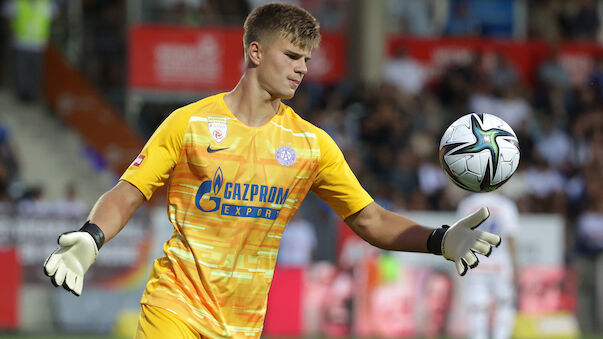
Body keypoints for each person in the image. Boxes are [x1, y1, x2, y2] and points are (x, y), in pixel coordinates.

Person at [42, 3, 502, 338]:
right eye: (291, 55)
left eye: (307, 59)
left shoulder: (311, 145)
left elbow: (371, 220)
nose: (302, 68)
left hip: (243, 324)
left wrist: (440, 239)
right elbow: (128, 191)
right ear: (256, 52)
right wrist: (90, 237)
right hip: (174, 308)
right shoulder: (190, 123)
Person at [457, 192, 519, 339]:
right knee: (505, 304)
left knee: (477, 308)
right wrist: (515, 266)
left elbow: (458, 238)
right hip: (500, 265)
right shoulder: (505, 205)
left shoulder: (467, 205)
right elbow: (510, 237)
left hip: (474, 264)